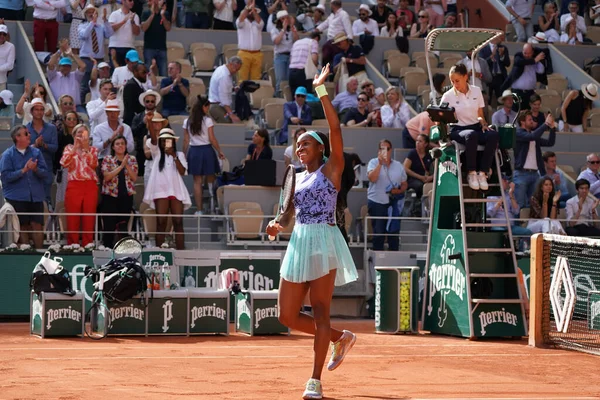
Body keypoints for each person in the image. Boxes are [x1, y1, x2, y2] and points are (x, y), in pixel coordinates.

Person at [265, 64, 358, 400]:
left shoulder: (332, 169)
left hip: (324, 239)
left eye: (307, 143)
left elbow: (334, 127)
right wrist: (277, 226)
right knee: (287, 316)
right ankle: (339, 338)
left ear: (321, 149)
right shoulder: (295, 176)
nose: (301, 148)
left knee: (319, 311)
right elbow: (287, 215)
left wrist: (321, 90)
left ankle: (315, 381)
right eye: (298, 145)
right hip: (299, 239)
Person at [440, 63, 499, 191]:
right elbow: (441, 118)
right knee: (471, 135)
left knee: (493, 134)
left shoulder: (477, 91)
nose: (454, 84)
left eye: (457, 80)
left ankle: (483, 173)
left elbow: (480, 115)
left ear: (465, 77)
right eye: (452, 81)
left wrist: (483, 124)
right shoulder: (447, 96)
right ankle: (471, 172)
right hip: (458, 129)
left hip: (475, 127)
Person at [0, 125, 48, 249]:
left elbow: (45, 173)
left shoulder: (36, 152)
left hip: (36, 196)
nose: (29, 135)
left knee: (37, 225)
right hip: (16, 196)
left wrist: (35, 169)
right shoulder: (7, 155)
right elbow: (5, 177)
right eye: (26, 134)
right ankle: (26, 254)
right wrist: (24, 170)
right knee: (22, 226)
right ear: (17, 137)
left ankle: (40, 253)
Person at [143, 128, 191, 249]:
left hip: (176, 191)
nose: (165, 143)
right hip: (160, 191)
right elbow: (153, 139)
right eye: (163, 141)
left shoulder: (179, 155)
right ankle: (159, 251)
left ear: (173, 142)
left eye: (168, 140)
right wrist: (149, 122)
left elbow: (182, 171)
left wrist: (174, 156)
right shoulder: (157, 153)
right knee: (161, 222)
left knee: (178, 223)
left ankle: (181, 251)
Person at [183, 96, 225, 215]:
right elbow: (212, 138)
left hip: (194, 152)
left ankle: (199, 210)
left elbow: (186, 141)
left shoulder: (187, 121)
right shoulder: (208, 121)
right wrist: (219, 151)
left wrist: (184, 155)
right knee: (211, 179)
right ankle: (212, 206)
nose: (208, 109)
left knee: (197, 181)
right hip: (207, 150)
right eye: (207, 107)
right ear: (203, 107)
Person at [60, 124, 99, 246]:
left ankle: (88, 244)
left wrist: (86, 149)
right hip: (74, 185)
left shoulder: (93, 149)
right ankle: (73, 244)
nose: (81, 135)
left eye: (84, 133)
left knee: (89, 216)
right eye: (79, 133)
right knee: (73, 216)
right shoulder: (68, 148)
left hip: (90, 185)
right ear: (74, 135)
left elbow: (93, 164)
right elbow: (64, 163)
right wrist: (75, 149)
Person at [367, 139, 407, 251]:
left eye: (387, 149)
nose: (385, 151)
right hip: (377, 202)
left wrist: (398, 191)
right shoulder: (373, 162)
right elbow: (372, 178)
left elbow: (404, 184)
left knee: (393, 232)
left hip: (393, 203)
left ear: (391, 150)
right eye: (382, 148)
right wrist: (380, 164)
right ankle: (378, 259)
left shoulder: (398, 165)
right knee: (379, 232)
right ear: (378, 151)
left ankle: (394, 258)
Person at [513, 110, 556, 208]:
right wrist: (545, 124)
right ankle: (517, 223)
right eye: (529, 119)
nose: (532, 121)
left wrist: (552, 128)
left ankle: (531, 223)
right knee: (520, 204)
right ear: (522, 122)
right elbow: (532, 136)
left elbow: (550, 143)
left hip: (535, 174)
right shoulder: (518, 133)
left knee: (534, 204)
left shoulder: (533, 135)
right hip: (521, 174)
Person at [101, 135, 138, 247]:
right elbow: (107, 177)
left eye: (122, 143)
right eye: (117, 144)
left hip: (126, 196)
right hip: (110, 196)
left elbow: (134, 178)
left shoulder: (131, 159)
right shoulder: (108, 159)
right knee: (109, 224)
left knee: (123, 224)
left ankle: (123, 249)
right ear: (113, 147)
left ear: (126, 146)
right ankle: (107, 247)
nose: (120, 146)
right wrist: (121, 166)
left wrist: (126, 165)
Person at [78, 5, 114, 101]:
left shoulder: (101, 27)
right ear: (85, 14)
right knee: (84, 85)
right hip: (86, 59)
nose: (91, 14)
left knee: (99, 85)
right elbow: (84, 35)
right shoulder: (82, 26)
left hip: (99, 60)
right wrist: (92, 23)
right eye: (89, 12)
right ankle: (81, 105)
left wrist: (105, 20)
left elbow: (110, 33)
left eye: (93, 12)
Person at [27, 98, 58, 203]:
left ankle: (48, 218)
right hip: (30, 169)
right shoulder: (25, 128)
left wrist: (44, 145)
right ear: (31, 111)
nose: (39, 112)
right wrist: (35, 145)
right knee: (31, 199)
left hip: (46, 168)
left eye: (41, 109)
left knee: (46, 198)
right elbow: (23, 149)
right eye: (36, 109)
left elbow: (55, 148)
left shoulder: (52, 128)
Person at [501, 43, 546, 111]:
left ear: (532, 52)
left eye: (529, 53)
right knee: (516, 111)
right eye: (525, 53)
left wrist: (538, 60)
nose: (527, 55)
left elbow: (541, 70)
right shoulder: (519, 56)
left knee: (527, 113)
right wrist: (534, 60)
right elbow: (519, 62)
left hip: (530, 92)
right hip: (517, 92)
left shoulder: (535, 60)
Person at [131, 89, 161, 176]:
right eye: (147, 101)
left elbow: (167, 131)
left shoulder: (162, 116)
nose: (150, 103)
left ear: (155, 102)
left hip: (159, 152)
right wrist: (142, 123)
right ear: (144, 102)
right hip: (141, 152)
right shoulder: (138, 117)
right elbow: (133, 133)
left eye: (152, 101)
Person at [314, 0, 353, 67]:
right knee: (326, 57)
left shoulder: (343, 14)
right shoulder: (332, 15)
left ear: (333, 5)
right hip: (330, 41)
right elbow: (325, 24)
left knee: (336, 61)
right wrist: (318, 29)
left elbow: (348, 28)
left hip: (339, 42)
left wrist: (350, 39)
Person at [141, 0, 173, 77]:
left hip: (162, 48)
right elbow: (144, 28)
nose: (156, 2)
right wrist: (152, 15)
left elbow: (168, 28)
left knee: (164, 73)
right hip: (149, 48)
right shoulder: (146, 13)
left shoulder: (165, 14)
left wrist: (162, 15)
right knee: (148, 73)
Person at [54, 110, 79, 204]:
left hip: (78, 171)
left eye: (74, 119)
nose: (71, 121)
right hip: (64, 169)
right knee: (62, 197)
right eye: (69, 119)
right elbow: (57, 154)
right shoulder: (60, 135)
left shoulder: (80, 135)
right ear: (64, 120)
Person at [270, 10, 298, 97]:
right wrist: (283, 29)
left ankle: (287, 97)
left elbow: (296, 40)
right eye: (283, 19)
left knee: (289, 79)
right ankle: (279, 97)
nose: (285, 20)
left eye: (287, 18)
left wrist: (292, 27)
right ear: (279, 20)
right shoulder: (274, 30)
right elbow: (276, 41)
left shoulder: (292, 28)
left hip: (290, 56)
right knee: (280, 79)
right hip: (280, 56)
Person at [208, 56, 242, 123]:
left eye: (238, 70)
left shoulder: (221, 69)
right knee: (227, 123)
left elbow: (221, 88)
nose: (235, 71)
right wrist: (231, 115)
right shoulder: (224, 76)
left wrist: (232, 89)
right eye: (235, 69)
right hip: (217, 106)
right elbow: (224, 98)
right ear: (230, 64)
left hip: (216, 105)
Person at [236, 1, 264, 82]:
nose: (251, 12)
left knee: (256, 80)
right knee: (242, 78)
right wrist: (247, 8)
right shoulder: (242, 22)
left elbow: (260, 23)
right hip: (244, 53)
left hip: (257, 54)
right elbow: (240, 20)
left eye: (254, 11)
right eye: (250, 11)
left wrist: (253, 10)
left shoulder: (259, 23)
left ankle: (254, 95)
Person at [108, 0, 141, 68]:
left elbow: (137, 33)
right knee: (115, 72)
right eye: (130, 0)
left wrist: (132, 22)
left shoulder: (135, 16)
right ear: (123, 1)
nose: (132, 2)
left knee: (129, 72)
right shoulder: (114, 14)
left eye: (133, 1)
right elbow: (110, 29)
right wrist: (124, 21)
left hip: (129, 47)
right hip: (115, 47)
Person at [479, 35, 510, 106]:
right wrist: (491, 56)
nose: (501, 38)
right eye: (499, 36)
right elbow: (482, 63)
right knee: (487, 100)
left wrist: (502, 55)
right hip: (488, 77)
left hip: (500, 77)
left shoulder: (503, 48)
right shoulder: (483, 48)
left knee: (501, 99)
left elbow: (507, 64)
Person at [288, 31, 320, 98]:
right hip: (304, 72)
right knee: (306, 97)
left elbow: (291, 59)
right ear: (316, 38)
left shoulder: (296, 43)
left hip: (292, 72)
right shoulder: (314, 42)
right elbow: (314, 59)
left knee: (295, 97)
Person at [403, 134, 433, 198]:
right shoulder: (412, 153)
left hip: (426, 178)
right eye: (417, 141)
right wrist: (420, 177)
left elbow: (436, 170)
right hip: (414, 178)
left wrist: (431, 177)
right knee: (419, 185)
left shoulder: (429, 155)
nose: (417, 143)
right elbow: (405, 168)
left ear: (425, 144)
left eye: (420, 141)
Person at [0, 24, 14, 91]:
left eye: (4, 34)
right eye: (0, 34)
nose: (2, 36)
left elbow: (10, 65)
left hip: (2, 81)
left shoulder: (10, 46)